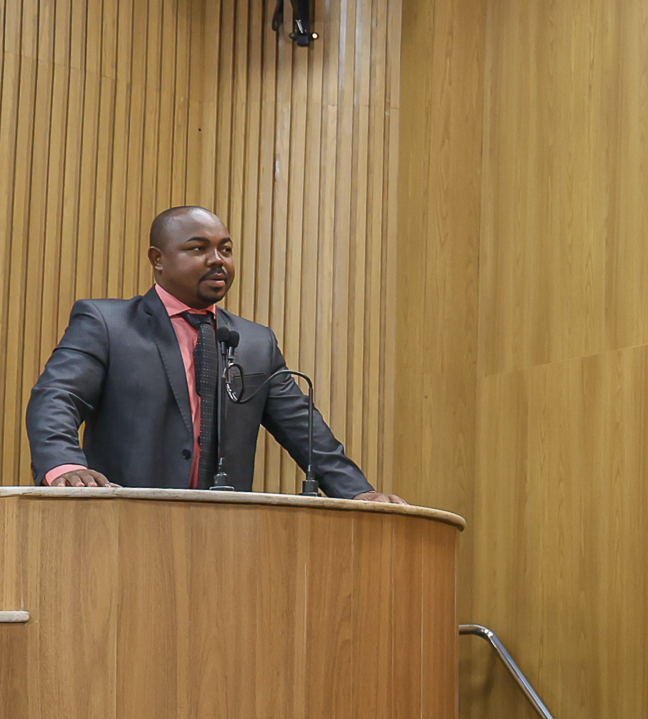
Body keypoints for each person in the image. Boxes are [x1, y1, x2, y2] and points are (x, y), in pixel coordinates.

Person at [26, 205, 405, 502]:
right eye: (198, 248)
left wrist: (359, 492)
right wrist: (65, 465)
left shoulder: (255, 342)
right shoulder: (108, 324)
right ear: (157, 258)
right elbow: (57, 397)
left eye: (226, 249)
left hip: (223, 535)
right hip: (122, 522)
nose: (217, 260)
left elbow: (305, 431)